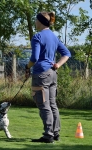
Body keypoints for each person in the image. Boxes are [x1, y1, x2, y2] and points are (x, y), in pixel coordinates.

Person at [25, 11, 71, 143]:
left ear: (40, 21)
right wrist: (58, 65)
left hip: (40, 74)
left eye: (35, 20)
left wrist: (27, 67)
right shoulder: (53, 36)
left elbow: (34, 58)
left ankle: (48, 135)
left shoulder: (37, 37)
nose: (34, 22)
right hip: (52, 74)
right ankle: (55, 133)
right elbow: (66, 54)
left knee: (44, 105)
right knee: (52, 104)